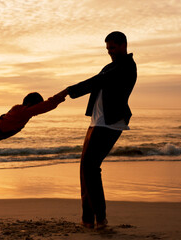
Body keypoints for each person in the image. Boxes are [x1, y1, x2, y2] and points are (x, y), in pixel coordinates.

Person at [66, 31, 137, 229]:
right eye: (107, 49)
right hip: (97, 122)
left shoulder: (127, 66)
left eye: (112, 48)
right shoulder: (110, 65)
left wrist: (70, 91)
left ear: (123, 45)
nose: (110, 52)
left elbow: (96, 82)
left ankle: (101, 218)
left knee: (91, 168)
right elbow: (98, 83)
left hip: (110, 123)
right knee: (85, 169)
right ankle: (88, 219)